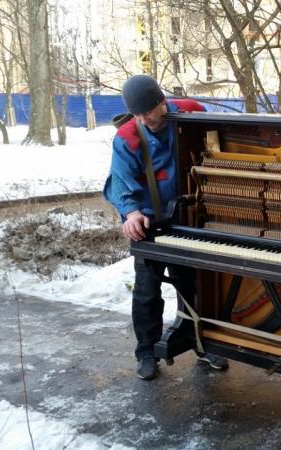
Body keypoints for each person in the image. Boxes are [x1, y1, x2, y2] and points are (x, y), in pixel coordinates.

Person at [103, 74, 228, 380]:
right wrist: (131, 213)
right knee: (147, 290)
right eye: (138, 114)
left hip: (189, 218)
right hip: (147, 222)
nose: (146, 119)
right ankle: (146, 352)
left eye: (150, 111)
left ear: (162, 101)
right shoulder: (129, 137)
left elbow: (218, 147)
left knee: (196, 284)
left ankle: (203, 342)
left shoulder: (191, 113)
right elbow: (119, 183)